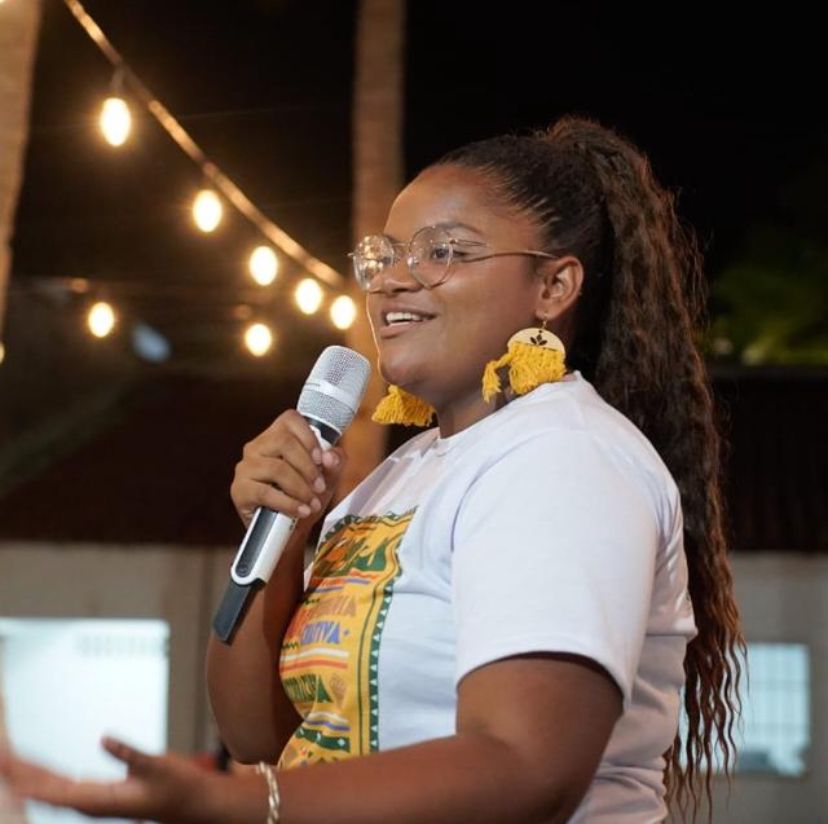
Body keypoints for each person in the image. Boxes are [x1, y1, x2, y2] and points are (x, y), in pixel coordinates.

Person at [0, 115, 743, 823]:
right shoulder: (396, 478)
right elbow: (263, 734)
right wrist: (281, 536)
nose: (390, 280)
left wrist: (235, 804)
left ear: (554, 287)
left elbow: (526, 766)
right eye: (383, 256)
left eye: (443, 252)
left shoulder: (565, 458)